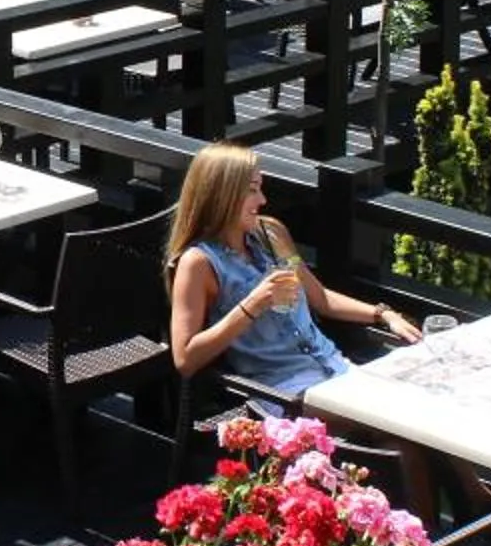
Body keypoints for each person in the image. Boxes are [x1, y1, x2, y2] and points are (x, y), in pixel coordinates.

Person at [167, 140, 422, 399]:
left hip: (334, 368)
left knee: (408, 414)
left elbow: (320, 298)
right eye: (252, 190)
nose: (263, 200)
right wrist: (254, 304)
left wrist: (384, 315)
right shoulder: (199, 263)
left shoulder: (271, 233)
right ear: (223, 195)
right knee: (387, 426)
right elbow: (185, 359)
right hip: (283, 391)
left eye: (261, 189)